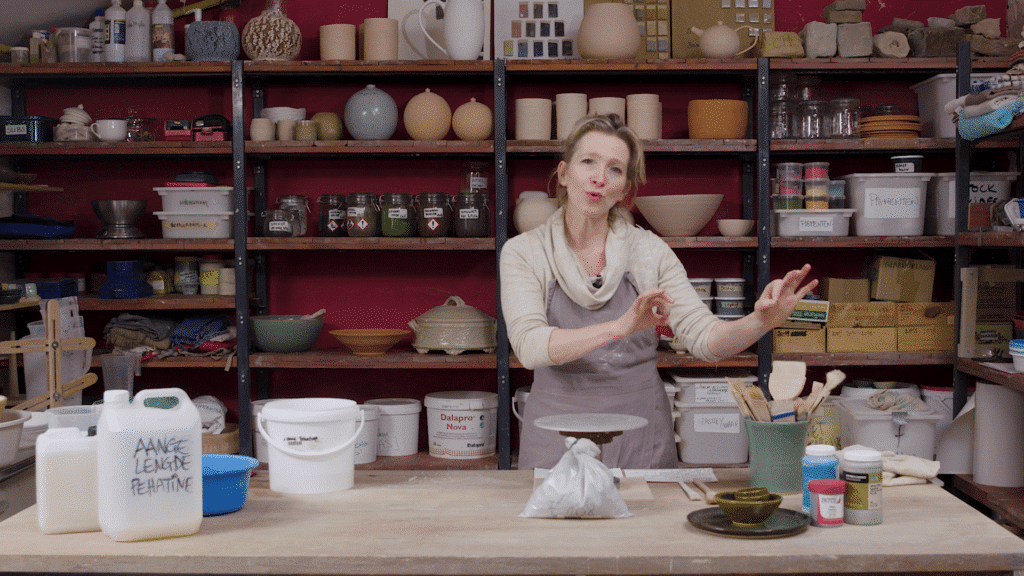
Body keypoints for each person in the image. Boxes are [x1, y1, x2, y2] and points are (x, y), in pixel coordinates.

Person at [499, 113, 817, 470]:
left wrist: (759, 322)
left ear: (625, 189)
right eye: (588, 161)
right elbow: (529, 347)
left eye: (615, 169)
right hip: (556, 431)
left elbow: (705, 340)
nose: (599, 178)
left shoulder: (649, 252)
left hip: (640, 431)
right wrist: (619, 328)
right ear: (563, 174)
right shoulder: (525, 252)